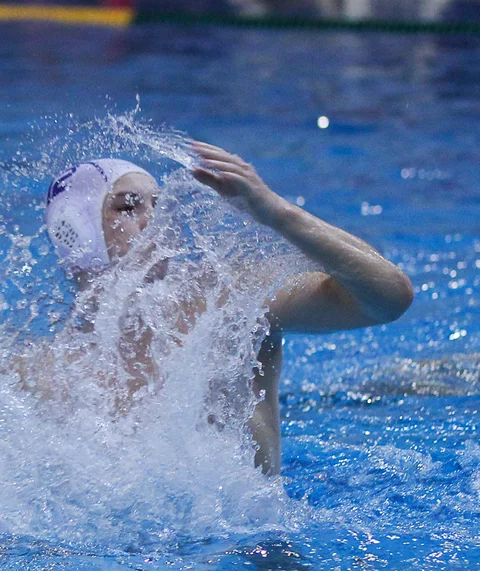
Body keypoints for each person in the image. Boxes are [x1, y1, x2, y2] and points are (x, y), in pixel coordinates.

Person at [44, 141, 414, 474]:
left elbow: (388, 298)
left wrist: (278, 214)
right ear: (78, 232)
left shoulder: (229, 299)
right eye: (128, 207)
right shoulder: (49, 373)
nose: (155, 219)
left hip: (255, 547)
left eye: (159, 204)